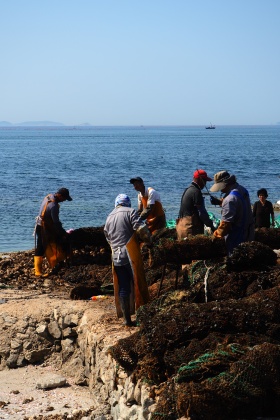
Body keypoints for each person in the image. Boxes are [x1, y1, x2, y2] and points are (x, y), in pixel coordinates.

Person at [104, 194, 151, 327]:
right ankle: (144, 316)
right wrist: (149, 242)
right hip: (130, 255)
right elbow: (141, 229)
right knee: (138, 283)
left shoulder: (109, 216)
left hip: (116, 257)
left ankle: (127, 319)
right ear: (127, 203)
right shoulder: (130, 212)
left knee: (123, 286)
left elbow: (107, 236)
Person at [210, 171, 255, 255]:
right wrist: (220, 202)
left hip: (236, 236)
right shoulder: (242, 189)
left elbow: (225, 225)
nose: (219, 189)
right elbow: (238, 205)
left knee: (235, 259)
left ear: (224, 184)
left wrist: (215, 235)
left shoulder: (229, 200)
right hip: (249, 232)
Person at [34, 188, 73, 276]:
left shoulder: (48, 196)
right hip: (43, 228)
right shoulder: (54, 206)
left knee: (44, 245)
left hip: (39, 225)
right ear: (60, 195)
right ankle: (38, 272)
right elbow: (56, 222)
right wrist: (63, 233)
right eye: (64, 198)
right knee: (41, 247)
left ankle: (55, 263)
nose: (63, 201)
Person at [176, 169, 215, 240]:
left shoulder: (188, 189)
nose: (205, 183)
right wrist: (212, 226)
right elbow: (202, 213)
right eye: (205, 181)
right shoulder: (196, 192)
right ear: (200, 179)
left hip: (181, 228)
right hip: (190, 230)